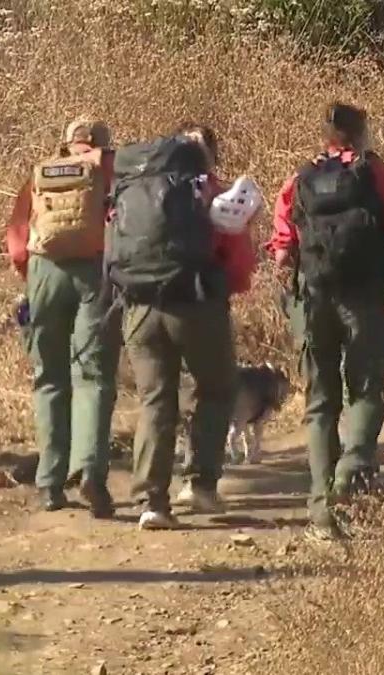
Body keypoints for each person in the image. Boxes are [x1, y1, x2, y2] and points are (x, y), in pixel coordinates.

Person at [266, 103, 384, 541]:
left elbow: (280, 248)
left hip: (313, 298)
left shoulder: (300, 177)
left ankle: (320, 505)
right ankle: (352, 468)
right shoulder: (375, 172)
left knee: (320, 401)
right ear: (361, 132)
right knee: (367, 387)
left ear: (326, 136)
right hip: (365, 296)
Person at [106, 123, 257, 530]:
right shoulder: (211, 192)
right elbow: (238, 261)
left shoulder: (131, 186)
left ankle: (152, 501)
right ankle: (201, 484)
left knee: (157, 399)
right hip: (195, 303)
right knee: (217, 387)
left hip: (138, 305)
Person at [5, 118, 120, 519]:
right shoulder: (111, 167)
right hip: (94, 270)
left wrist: (33, 277)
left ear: (67, 142)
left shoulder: (42, 171)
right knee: (94, 374)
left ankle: (50, 483)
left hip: (44, 271)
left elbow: (18, 240)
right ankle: (90, 470)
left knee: (49, 377)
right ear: (103, 143)